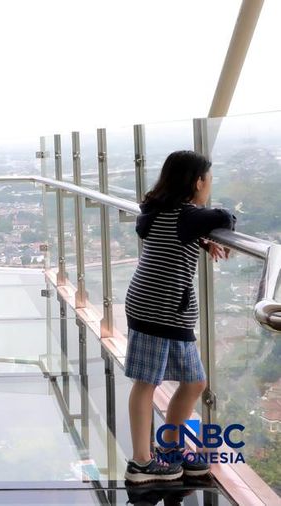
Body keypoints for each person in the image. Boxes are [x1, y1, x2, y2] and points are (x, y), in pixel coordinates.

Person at [123, 150, 235, 484]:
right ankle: (141, 463)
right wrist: (204, 231)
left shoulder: (157, 211)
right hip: (160, 310)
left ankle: (169, 449)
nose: (209, 186)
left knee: (195, 381)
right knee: (146, 383)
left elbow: (172, 236)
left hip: (157, 306)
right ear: (197, 181)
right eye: (209, 179)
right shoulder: (187, 216)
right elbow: (225, 218)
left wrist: (201, 240)